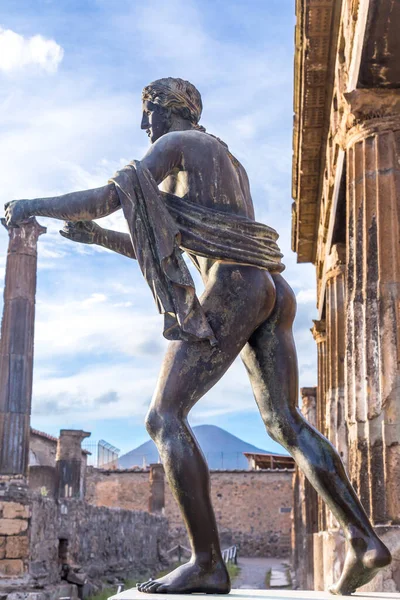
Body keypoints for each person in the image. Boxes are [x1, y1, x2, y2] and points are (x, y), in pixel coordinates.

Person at [4, 78, 391, 595]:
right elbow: (182, 246)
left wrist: (31, 204)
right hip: (270, 289)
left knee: (162, 418)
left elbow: (104, 197)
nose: (145, 126)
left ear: (169, 110)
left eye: (148, 113)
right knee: (287, 424)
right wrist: (98, 239)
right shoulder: (230, 164)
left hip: (233, 284)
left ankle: (207, 562)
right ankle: (365, 539)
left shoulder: (178, 145)